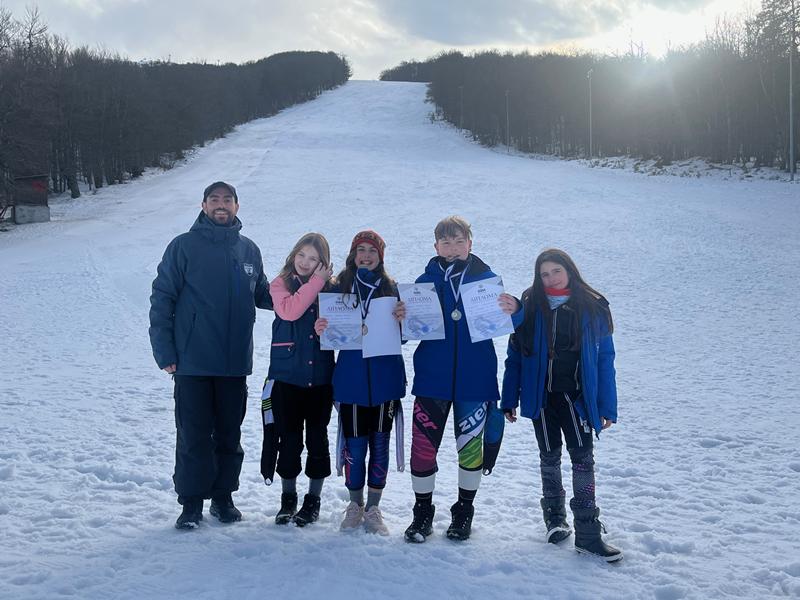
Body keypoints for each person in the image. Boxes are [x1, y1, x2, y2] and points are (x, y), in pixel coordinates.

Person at [149, 181, 272, 530]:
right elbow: (162, 300)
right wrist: (165, 351)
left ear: (236, 205)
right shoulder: (183, 247)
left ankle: (222, 498)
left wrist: (309, 295)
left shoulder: (248, 250)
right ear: (203, 205)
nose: (222, 205)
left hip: (234, 363)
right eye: (214, 200)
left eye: (227, 200)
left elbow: (264, 293)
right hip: (193, 361)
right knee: (193, 434)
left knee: (229, 434)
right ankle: (190, 503)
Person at [501, 248, 622, 562]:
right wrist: (508, 398)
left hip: (575, 400)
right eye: (544, 274)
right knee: (548, 458)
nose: (551, 278)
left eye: (556, 271)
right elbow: (515, 356)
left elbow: (605, 360)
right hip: (540, 399)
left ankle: (588, 531)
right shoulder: (530, 308)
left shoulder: (591, 309)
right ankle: (555, 520)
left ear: (569, 270)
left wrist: (607, 405)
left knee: (582, 461)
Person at [404, 216, 520, 543]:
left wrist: (517, 307)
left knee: (470, 451)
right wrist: (401, 320)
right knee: (423, 450)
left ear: (470, 243)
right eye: (446, 242)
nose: (452, 248)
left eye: (459, 242)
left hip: (475, 381)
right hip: (432, 381)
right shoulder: (424, 283)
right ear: (436, 246)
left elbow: (512, 320)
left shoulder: (486, 280)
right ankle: (422, 512)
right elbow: (405, 334)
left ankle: (463, 511)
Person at [315, 230, 406, 535]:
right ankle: (355, 505)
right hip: (352, 381)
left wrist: (403, 320)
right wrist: (322, 326)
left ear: (381, 256)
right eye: (361, 250)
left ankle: (373, 507)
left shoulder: (391, 288)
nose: (366, 256)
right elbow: (327, 329)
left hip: (386, 380)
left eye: (372, 251)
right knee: (355, 447)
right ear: (353, 255)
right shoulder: (339, 286)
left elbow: (403, 336)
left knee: (379, 445)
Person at [267, 233, 335, 527]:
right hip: (287, 378)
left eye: (314, 259)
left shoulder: (332, 291)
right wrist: (316, 283)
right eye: (302, 256)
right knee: (290, 441)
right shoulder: (280, 284)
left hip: (320, 379)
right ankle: (288, 499)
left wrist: (327, 329)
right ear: (293, 255)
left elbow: (343, 329)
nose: (306, 263)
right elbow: (290, 311)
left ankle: (313, 500)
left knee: (317, 440)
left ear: (323, 262)